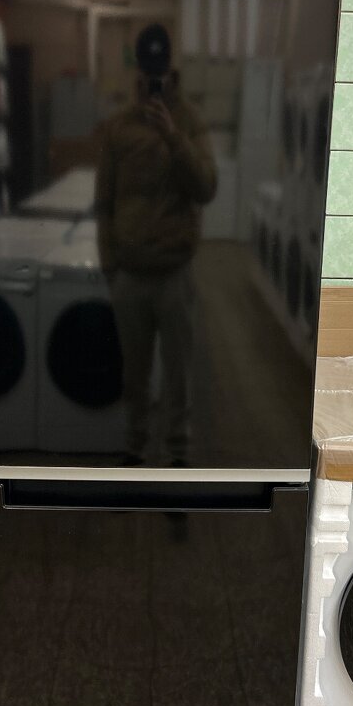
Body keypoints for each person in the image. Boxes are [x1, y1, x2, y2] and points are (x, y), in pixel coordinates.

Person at [96, 24, 217, 466]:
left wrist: (173, 137)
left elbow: (206, 187)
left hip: (174, 274)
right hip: (130, 274)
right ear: (139, 74)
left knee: (179, 375)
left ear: (170, 71)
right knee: (135, 374)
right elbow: (104, 202)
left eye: (159, 74)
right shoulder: (118, 127)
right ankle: (135, 448)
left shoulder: (189, 121)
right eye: (147, 74)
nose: (153, 82)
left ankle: (177, 456)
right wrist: (111, 268)